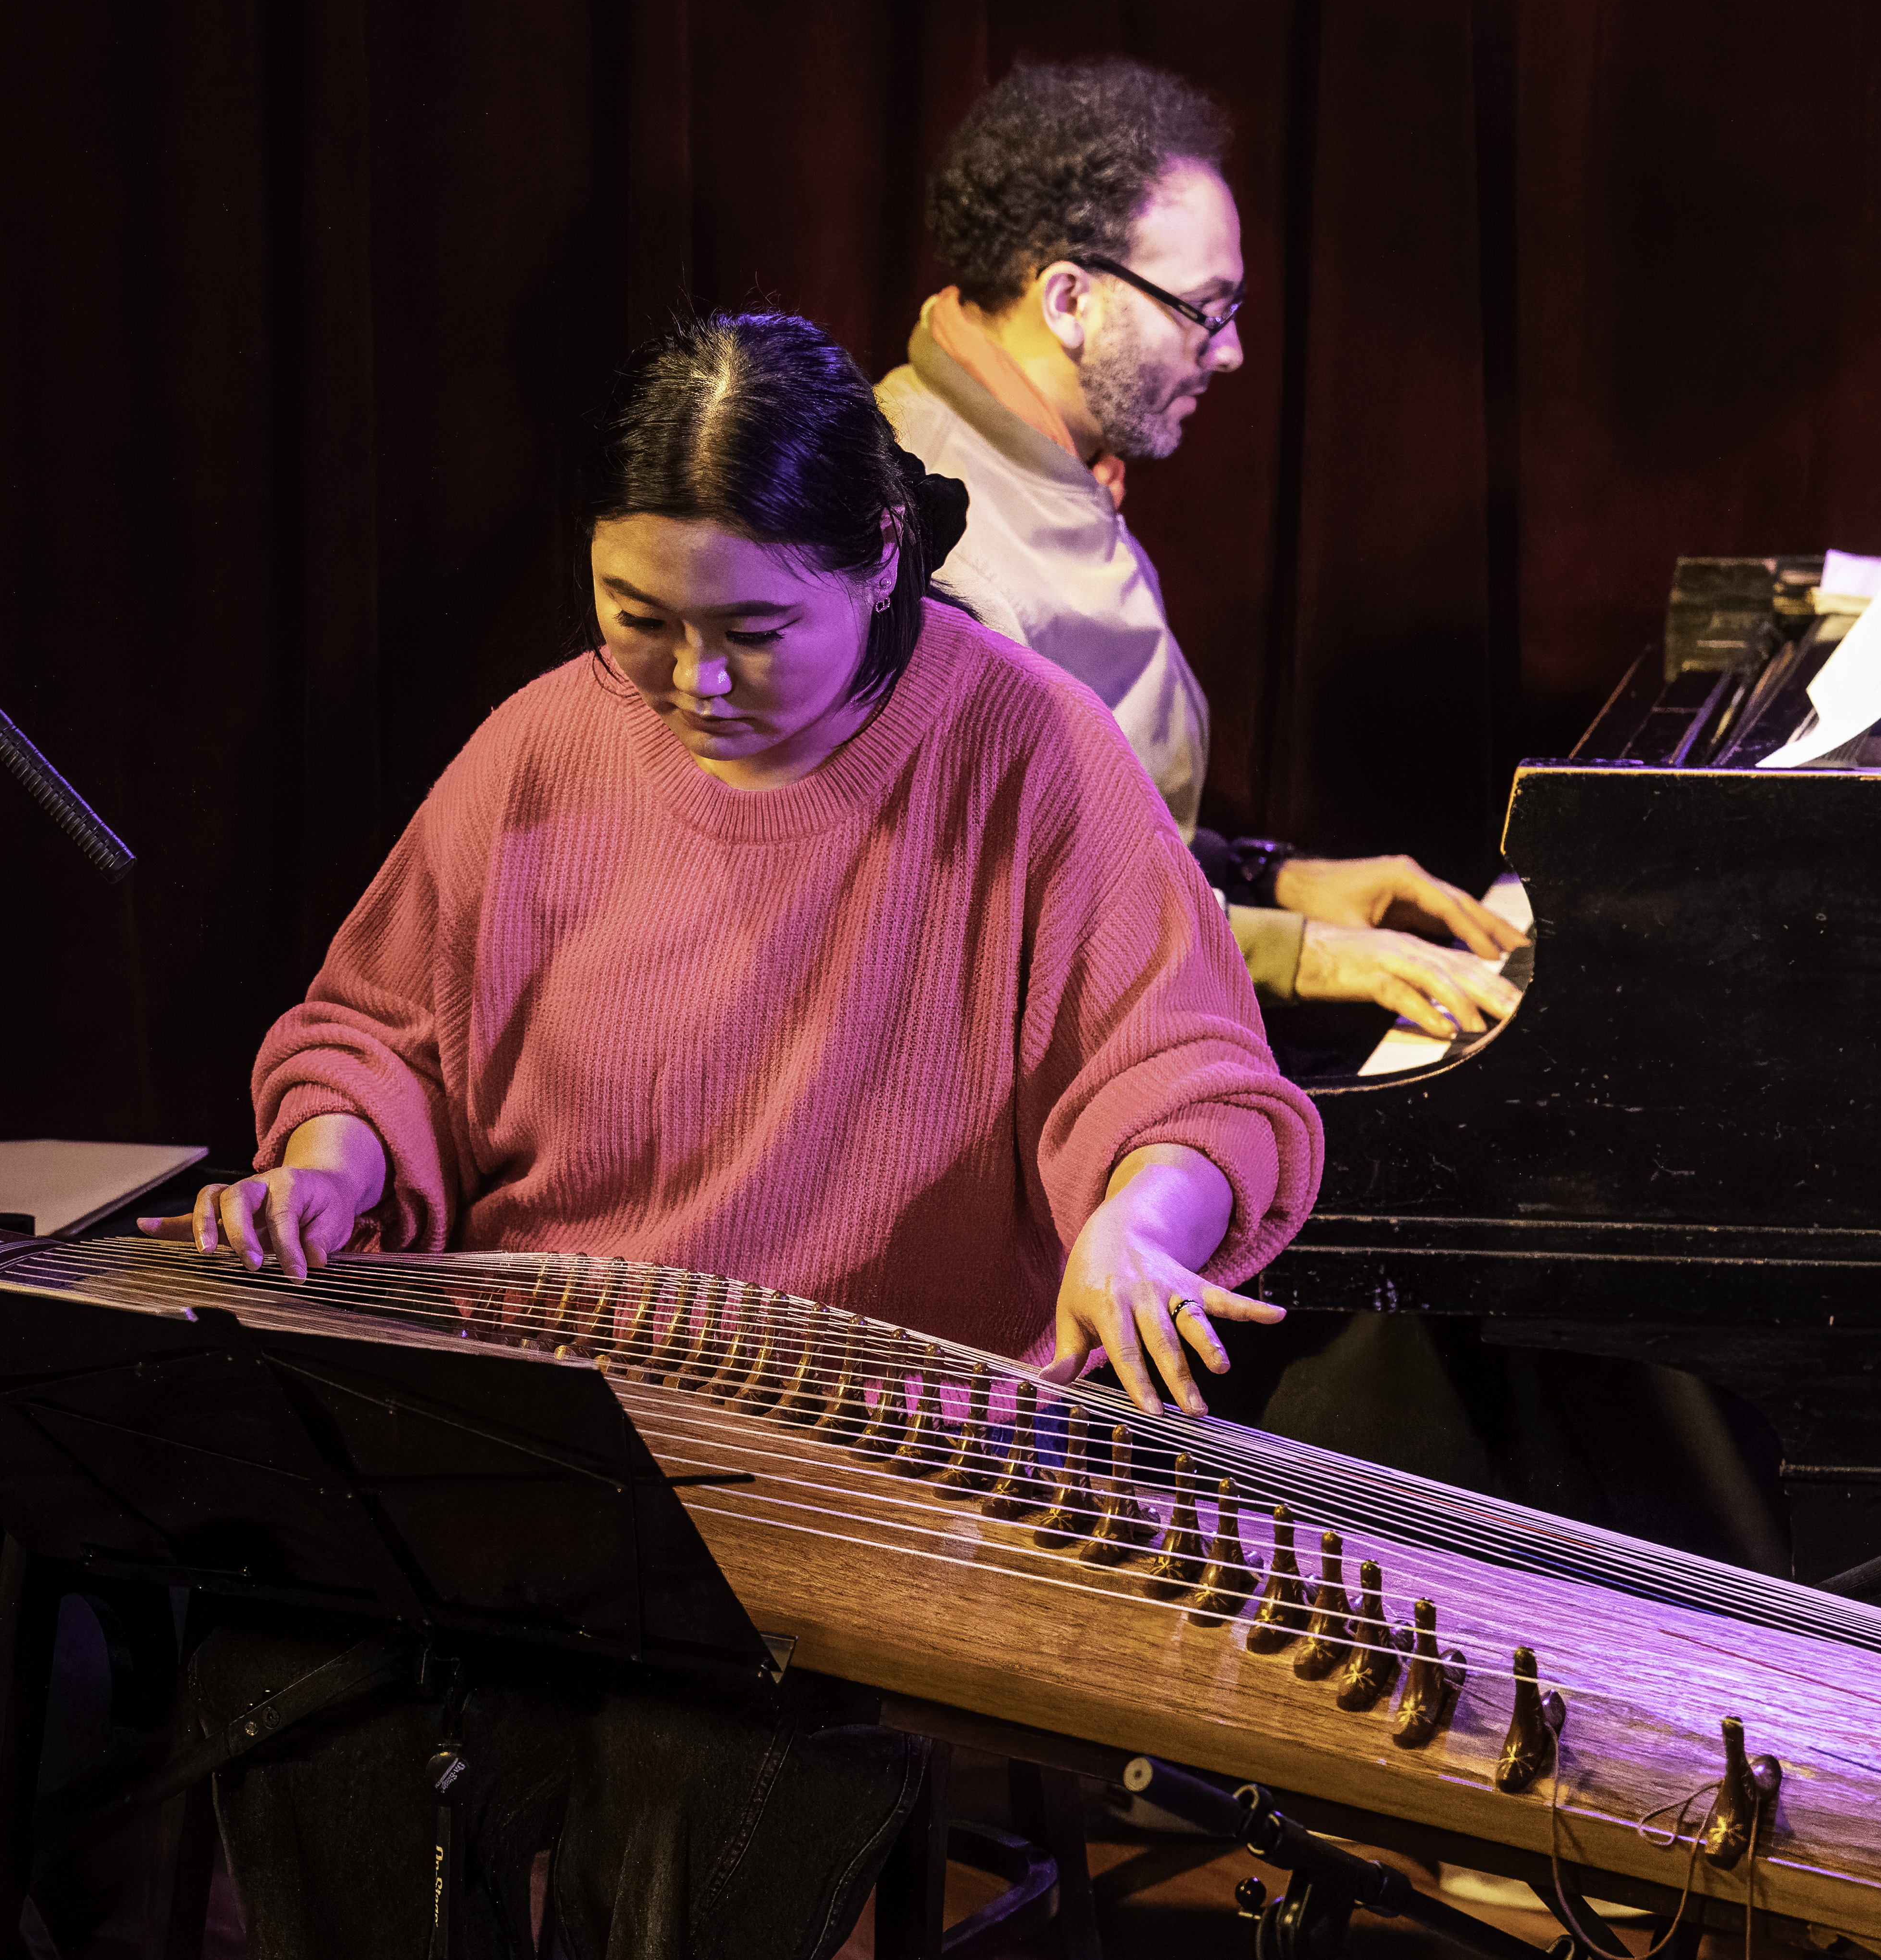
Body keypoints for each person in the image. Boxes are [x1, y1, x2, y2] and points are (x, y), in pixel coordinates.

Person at [139, 312, 1323, 1959]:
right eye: (641, 619)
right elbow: (377, 1035)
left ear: (883, 557)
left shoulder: (1029, 750)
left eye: (756, 629)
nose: (693, 680)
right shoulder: (544, 744)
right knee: (298, 1703)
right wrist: (331, 1159)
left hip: (860, 1473)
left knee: (704, 1768)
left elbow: (1178, 1076)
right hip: (542, 1436)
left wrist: (1141, 1220)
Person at [881, 57, 1524, 1041]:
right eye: (1203, 308)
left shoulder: (1045, 465)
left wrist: (1269, 875)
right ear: (1067, 301)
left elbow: (1098, 826)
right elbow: (990, 919)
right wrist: (1298, 953)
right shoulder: (939, 545)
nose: (1227, 351)